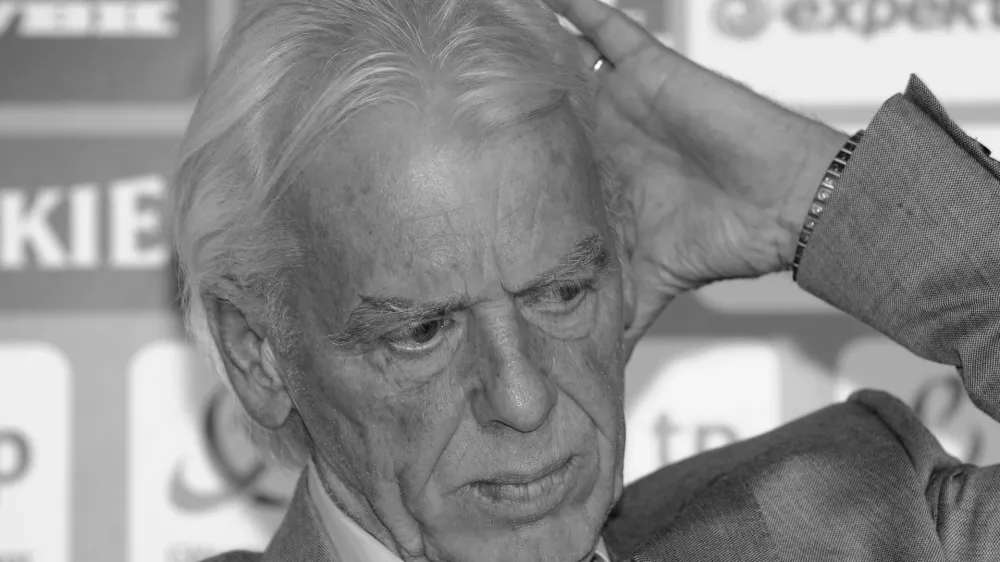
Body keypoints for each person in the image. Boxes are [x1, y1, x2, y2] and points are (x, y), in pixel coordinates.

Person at [167, 1, 999, 562]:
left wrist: (821, 197)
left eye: (560, 293)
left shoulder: (862, 516)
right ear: (258, 356)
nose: (523, 399)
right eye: (423, 332)